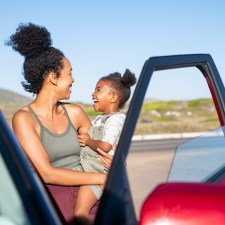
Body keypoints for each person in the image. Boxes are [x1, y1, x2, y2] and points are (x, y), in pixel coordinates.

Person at [6, 22, 113, 224]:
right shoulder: (24, 119)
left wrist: (113, 161)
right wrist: (101, 179)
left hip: (91, 193)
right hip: (57, 202)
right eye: (69, 73)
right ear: (54, 78)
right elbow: (47, 174)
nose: (73, 79)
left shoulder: (75, 112)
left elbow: (99, 150)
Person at [73, 69, 136, 220]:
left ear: (113, 97)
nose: (93, 94)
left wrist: (88, 141)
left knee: (80, 213)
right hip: (89, 169)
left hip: (100, 171)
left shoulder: (116, 120)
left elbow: (106, 146)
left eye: (98, 90)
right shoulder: (100, 119)